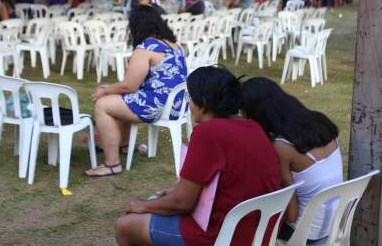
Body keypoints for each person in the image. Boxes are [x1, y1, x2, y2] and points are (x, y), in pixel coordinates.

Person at [115, 67, 282, 246]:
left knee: (125, 225)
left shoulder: (207, 133)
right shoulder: (253, 127)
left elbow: (182, 202)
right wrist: (176, 192)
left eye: (190, 98)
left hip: (224, 235)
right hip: (260, 232)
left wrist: (144, 206)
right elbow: (230, 181)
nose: (189, 104)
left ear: (202, 102)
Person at [85, 6, 187, 177]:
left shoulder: (146, 48)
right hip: (177, 105)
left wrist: (106, 90)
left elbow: (129, 86)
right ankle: (123, 145)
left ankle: (112, 164)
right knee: (122, 98)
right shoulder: (173, 45)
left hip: (156, 106)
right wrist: (113, 90)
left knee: (103, 105)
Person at [241, 77, 342, 244]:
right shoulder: (321, 122)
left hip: (305, 233)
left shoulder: (283, 147)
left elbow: (291, 215)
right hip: (335, 222)